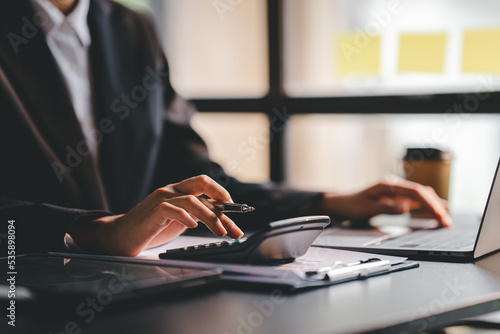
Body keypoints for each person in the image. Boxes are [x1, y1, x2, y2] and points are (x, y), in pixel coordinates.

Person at [0, 0, 451, 257]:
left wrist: (329, 202)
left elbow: (202, 183)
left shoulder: (131, 29)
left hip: (137, 294)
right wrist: (99, 230)